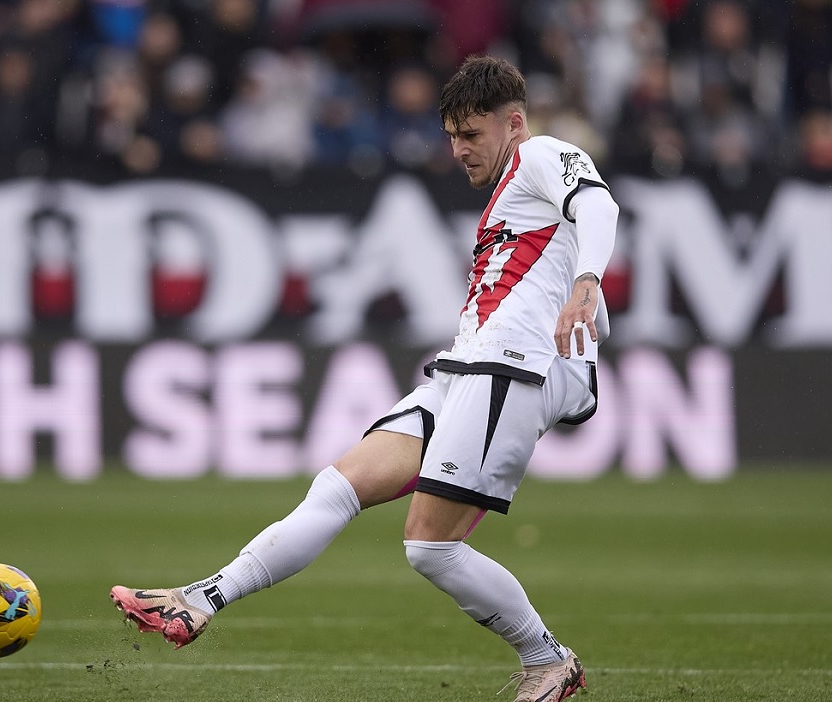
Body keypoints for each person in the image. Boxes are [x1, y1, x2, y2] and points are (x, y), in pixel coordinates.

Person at [110, 54, 617, 702]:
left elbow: (599, 206)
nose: (459, 150)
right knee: (337, 486)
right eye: (451, 136)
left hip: (517, 367)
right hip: (468, 367)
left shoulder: (541, 154)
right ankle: (201, 598)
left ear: (512, 123)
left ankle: (549, 661)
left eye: (471, 134)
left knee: (429, 548)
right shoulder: (507, 193)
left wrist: (586, 284)